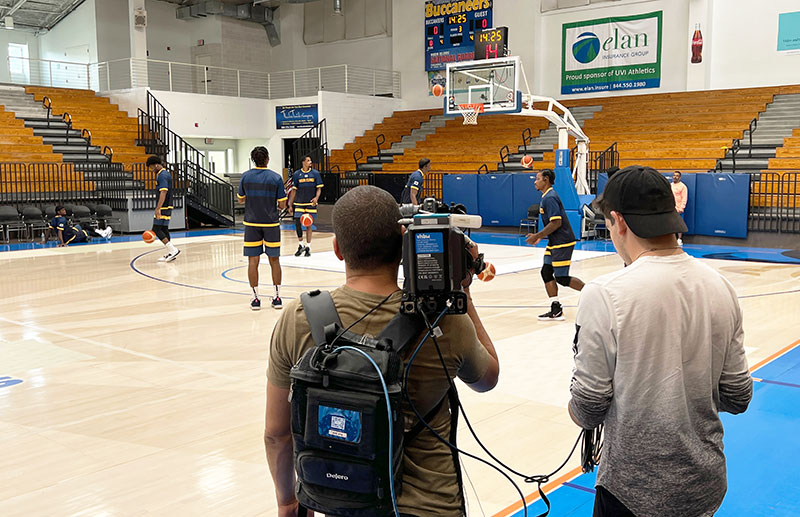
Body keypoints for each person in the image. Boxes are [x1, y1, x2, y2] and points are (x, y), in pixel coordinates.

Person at [264, 185, 499, 517]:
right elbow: (487, 378)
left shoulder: (297, 319)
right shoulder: (446, 323)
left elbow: (277, 434)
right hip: (432, 507)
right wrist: (461, 292)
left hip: (347, 504)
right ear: (403, 245)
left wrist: (288, 503)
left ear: (337, 249)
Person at [569, 165, 753, 517]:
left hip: (633, 492)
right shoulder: (721, 287)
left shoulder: (605, 294)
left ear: (619, 222)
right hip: (705, 484)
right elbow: (738, 396)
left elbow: (589, 407)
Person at [525, 168, 584, 321]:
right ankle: (556, 309)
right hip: (554, 242)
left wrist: (537, 235)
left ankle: (594, 296)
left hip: (562, 242)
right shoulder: (546, 196)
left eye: (537, 178)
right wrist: (541, 237)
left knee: (562, 278)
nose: (535, 181)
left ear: (546, 180)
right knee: (546, 272)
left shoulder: (549, 197)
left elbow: (556, 222)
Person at [238, 146, 287, 310]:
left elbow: (240, 200)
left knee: (253, 261)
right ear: (267, 159)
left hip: (251, 224)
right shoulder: (276, 178)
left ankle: (255, 299)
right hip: (271, 224)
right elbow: (282, 204)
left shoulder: (246, 176)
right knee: (274, 260)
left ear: (253, 160)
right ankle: (277, 297)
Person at [287, 155, 323, 257]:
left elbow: (319, 189)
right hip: (299, 203)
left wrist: (316, 198)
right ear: (303, 162)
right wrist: (290, 204)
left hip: (310, 203)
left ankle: (308, 247)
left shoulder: (315, 174)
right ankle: (300, 244)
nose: (310, 162)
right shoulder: (297, 174)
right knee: (298, 223)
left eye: (310, 160)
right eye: (308, 160)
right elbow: (294, 190)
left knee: (308, 224)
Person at [148, 155, 180, 262]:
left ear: (156, 165)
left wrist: (158, 208)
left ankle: (173, 250)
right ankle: (171, 252)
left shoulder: (162, 175)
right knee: (163, 229)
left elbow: (163, 191)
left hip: (164, 206)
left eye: (151, 167)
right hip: (167, 206)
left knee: (156, 229)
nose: (151, 170)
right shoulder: (164, 174)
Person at [671, 170, 688, 246]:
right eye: (674, 175)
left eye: (677, 176)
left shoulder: (683, 187)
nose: (675, 177)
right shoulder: (670, 185)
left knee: (679, 225)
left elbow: (684, 198)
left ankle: (679, 239)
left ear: (680, 177)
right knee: (670, 224)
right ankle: (671, 240)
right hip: (670, 208)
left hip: (679, 210)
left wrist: (681, 208)